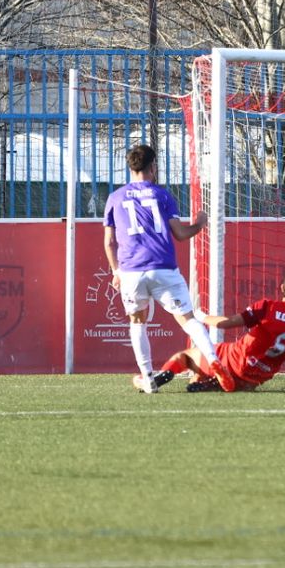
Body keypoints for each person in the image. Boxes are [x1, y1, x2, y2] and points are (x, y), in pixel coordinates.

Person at [103, 143, 220, 393]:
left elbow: (109, 242)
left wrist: (116, 271)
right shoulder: (162, 195)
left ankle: (148, 379)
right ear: (153, 167)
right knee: (188, 319)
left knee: (137, 322)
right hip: (163, 268)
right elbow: (180, 234)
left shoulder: (115, 197)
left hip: (131, 271)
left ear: (130, 168)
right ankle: (214, 362)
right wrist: (200, 224)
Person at [147, 269, 285, 393]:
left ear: (282, 288)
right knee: (200, 377)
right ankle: (213, 382)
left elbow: (225, 323)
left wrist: (201, 317)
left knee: (185, 357)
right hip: (254, 378)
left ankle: (156, 380)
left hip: (234, 358)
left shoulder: (267, 307)